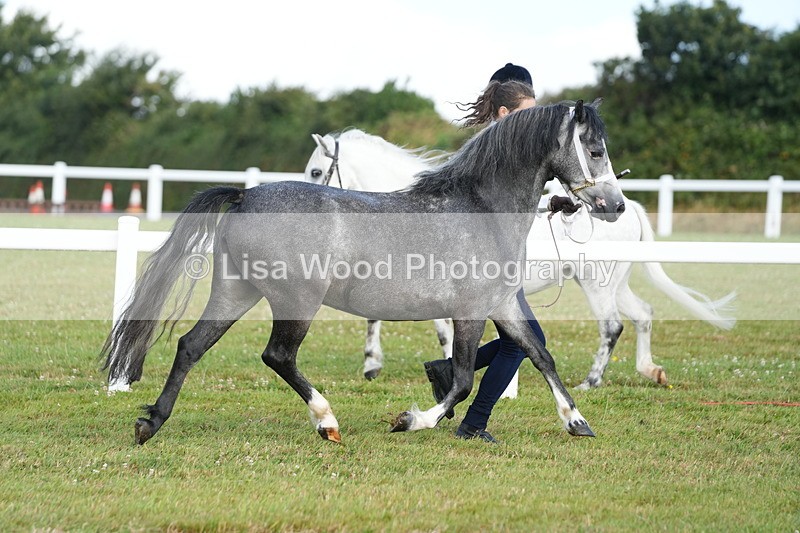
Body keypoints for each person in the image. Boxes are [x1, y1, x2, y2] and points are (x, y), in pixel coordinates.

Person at [423, 63, 550, 444]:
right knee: (526, 342)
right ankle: (473, 421)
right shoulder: (499, 147)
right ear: (505, 111)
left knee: (525, 341)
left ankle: (449, 372)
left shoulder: (502, 145)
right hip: (487, 262)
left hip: (496, 259)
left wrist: (549, 202)